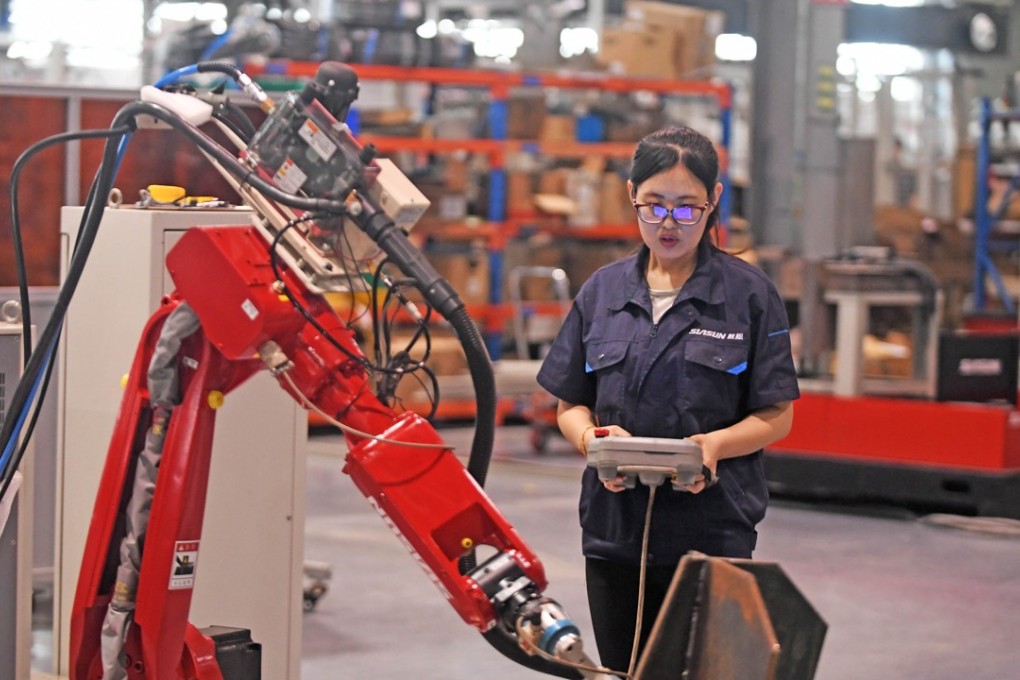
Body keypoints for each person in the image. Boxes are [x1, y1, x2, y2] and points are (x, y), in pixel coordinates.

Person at [536, 125, 799, 677]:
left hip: (711, 532)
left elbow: (777, 415)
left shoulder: (749, 296)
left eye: (686, 208)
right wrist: (591, 440)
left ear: (714, 200)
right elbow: (570, 404)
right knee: (624, 670)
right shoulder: (602, 292)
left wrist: (715, 446)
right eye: (654, 206)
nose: (669, 223)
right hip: (615, 533)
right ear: (632, 195)